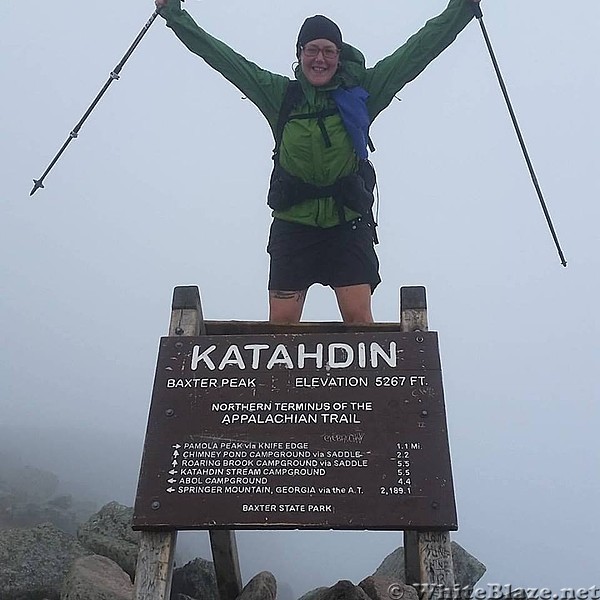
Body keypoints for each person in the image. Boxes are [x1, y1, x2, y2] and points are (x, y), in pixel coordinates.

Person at [154, 0, 481, 323]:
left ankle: (359, 380)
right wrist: (174, 14)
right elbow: (226, 60)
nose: (319, 58)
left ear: (339, 57)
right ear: (299, 55)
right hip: (293, 225)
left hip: (348, 224)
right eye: (311, 50)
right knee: (281, 329)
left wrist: (462, 8)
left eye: (328, 51)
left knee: (359, 322)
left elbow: (417, 52)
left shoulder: (361, 93)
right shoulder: (281, 95)